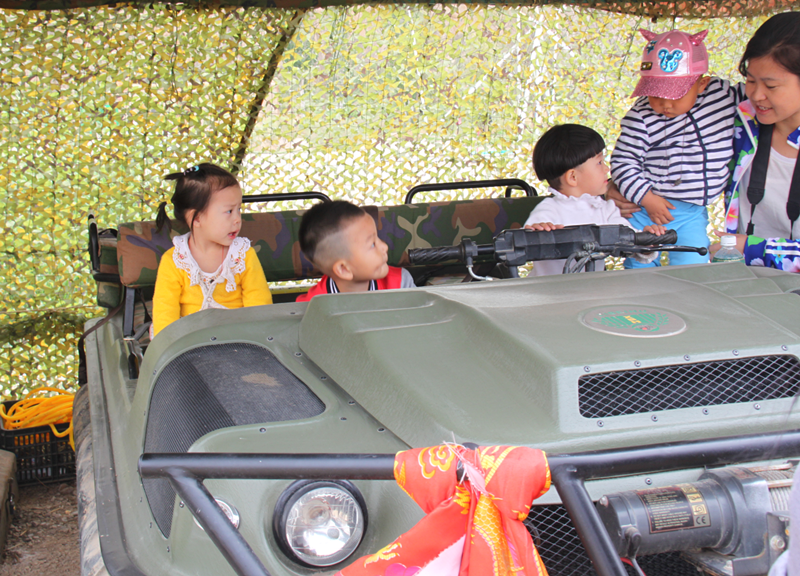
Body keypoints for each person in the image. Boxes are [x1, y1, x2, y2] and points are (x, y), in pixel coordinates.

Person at [611, 28, 745, 268]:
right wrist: (646, 197)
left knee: (693, 270)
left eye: (675, 95)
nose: (664, 104)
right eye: (656, 94)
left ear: (702, 83)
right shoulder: (642, 115)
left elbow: (761, 92)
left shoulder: (723, 96)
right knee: (639, 273)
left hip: (693, 213)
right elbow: (623, 162)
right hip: (645, 211)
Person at [713, 12, 800, 272]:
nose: (756, 94)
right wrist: (624, 189)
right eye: (751, 80)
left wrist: (752, 249)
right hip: (749, 288)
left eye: (771, 86)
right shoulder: (739, 120)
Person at [524, 124, 665, 276]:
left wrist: (646, 241)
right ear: (573, 177)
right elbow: (524, 242)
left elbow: (629, 241)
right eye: (599, 163)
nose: (606, 169)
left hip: (592, 291)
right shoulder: (549, 210)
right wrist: (538, 231)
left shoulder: (605, 210)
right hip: (548, 293)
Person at [152, 163, 272, 336]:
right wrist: (167, 343)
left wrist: (258, 336)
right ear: (198, 218)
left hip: (237, 336)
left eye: (239, 210)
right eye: (229, 211)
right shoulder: (175, 261)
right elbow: (165, 311)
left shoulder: (242, 255)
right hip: (189, 339)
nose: (238, 219)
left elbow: (259, 302)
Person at [296, 200, 415, 301]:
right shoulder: (312, 307)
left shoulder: (401, 284)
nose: (385, 247)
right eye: (373, 244)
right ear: (344, 269)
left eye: (377, 237)